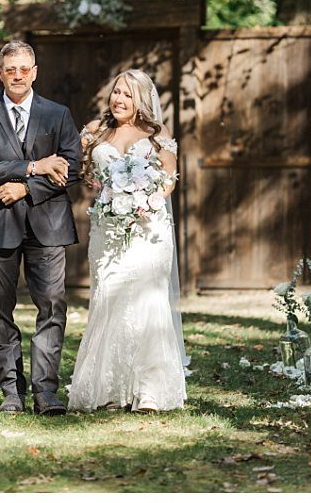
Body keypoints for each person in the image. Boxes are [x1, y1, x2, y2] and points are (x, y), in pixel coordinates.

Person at [0, 40, 82, 415]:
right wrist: (32, 166)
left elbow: (72, 167)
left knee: (51, 307)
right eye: (10, 69)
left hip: (47, 224)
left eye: (24, 69)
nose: (17, 75)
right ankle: (11, 391)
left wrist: (24, 187)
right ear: (0, 73)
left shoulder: (58, 114)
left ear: (35, 72)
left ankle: (46, 391)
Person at [68, 69, 187, 413]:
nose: (119, 99)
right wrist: (101, 185)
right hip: (108, 228)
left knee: (149, 301)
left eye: (128, 95)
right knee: (109, 300)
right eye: (117, 92)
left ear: (142, 100)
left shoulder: (156, 134)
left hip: (149, 228)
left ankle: (149, 390)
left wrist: (144, 199)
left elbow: (169, 179)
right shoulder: (95, 131)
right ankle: (108, 388)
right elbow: (83, 169)